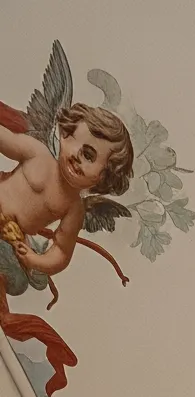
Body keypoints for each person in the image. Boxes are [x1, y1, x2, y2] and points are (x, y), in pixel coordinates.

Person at [0, 98, 133, 292]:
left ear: (103, 178)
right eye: (78, 144)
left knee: (18, 283)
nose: (79, 157)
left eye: (89, 156)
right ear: (65, 135)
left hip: (10, 238)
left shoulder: (73, 209)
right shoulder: (38, 154)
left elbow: (61, 252)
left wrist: (35, 259)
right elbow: (6, 140)